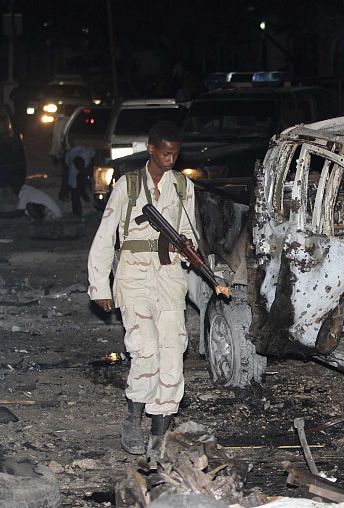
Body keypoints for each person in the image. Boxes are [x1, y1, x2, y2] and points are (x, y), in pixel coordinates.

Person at [87, 121, 196, 459]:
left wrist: (188, 249)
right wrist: (99, 284)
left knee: (172, 352)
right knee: (144, 348)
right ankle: (133, 420)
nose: (171, 159)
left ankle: (160, 430)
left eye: (175, 154)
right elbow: (105, 237)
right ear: (151, 149)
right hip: (133, 275)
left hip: (169, 277)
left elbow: (189, 230)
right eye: (165, 153)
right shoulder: (128, 186)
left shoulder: (183, 186)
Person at [65, 145, 95, 217]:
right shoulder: (72, 169)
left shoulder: (88, 153)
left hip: (83, 154)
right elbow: (73, 190)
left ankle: (83, 192)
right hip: (68, 158)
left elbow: (94, 153)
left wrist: (90, 179)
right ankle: (77, 211)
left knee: (84, 179)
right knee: (75, 191)